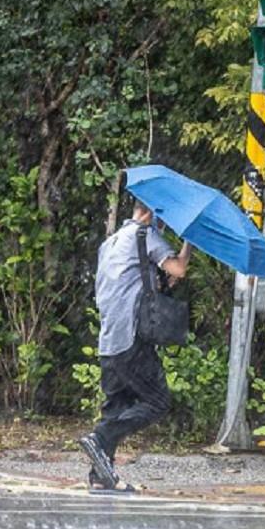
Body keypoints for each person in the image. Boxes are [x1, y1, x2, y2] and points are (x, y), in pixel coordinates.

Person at [78, 199, 192, 491]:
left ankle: (101, 476)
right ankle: (100, 438)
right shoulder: (146, 235)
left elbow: (139, 282)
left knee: (116, 406)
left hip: (109, 339)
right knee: (157, 401)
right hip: (132, 338)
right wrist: (189, 240)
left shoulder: (110, 243)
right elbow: (178, 269)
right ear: (151, 213)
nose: (163, 225)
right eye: (162, 218)